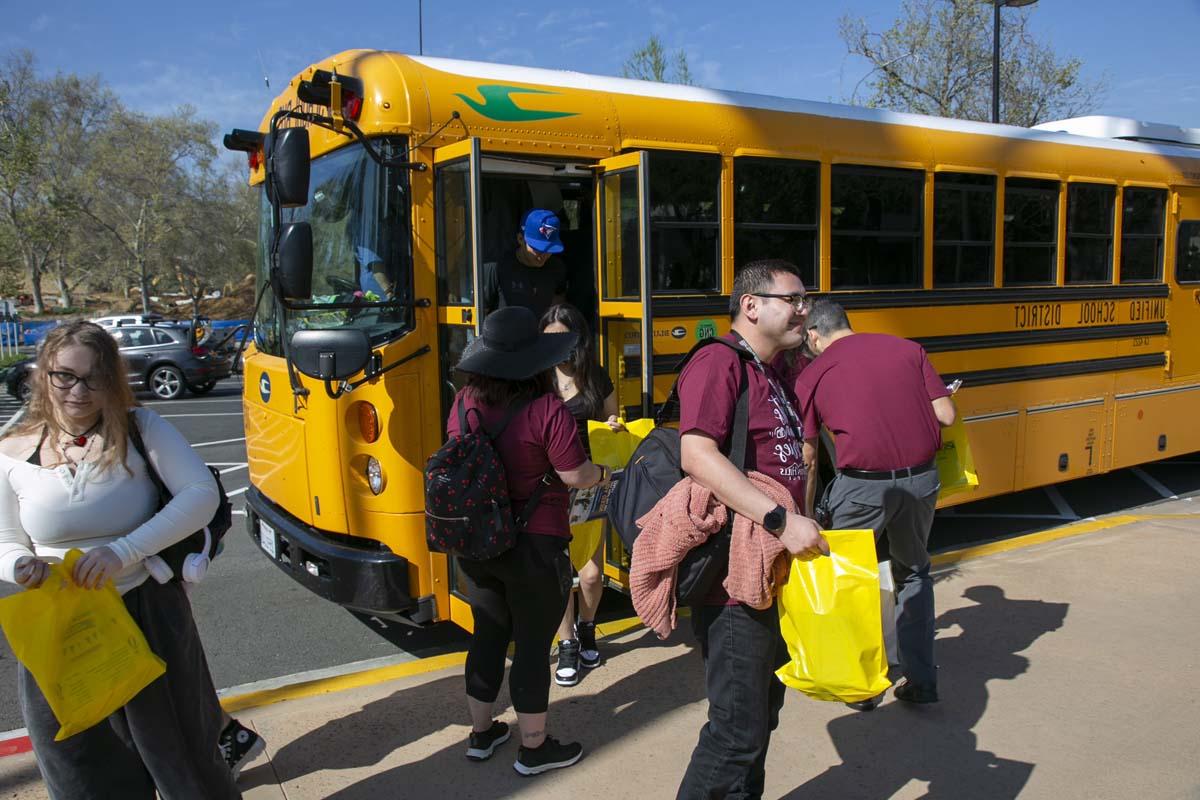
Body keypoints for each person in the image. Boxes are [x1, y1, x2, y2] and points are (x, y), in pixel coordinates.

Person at [0, 320, 241, 799]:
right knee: (80, 761)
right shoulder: (11, 448)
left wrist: (122, 552)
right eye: (64, 376)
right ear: (41, 375)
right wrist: (16, 564)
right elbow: (5, 536)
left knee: (181, 751)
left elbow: (199, 495)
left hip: (145, 612)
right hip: (63, 625)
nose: (78, 391)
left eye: (95, 378)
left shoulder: (140, 427)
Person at [675, 259, 828, 799]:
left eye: (806, 300)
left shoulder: (775, 370)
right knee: (736, 733)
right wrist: (781, 519)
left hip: (770, 573)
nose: (803, 310)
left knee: (761, 720)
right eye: (794, 299)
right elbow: (696, 454)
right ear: (752, 304)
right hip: (733, 578)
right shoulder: (718, 363)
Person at [448, 306, 611, 776]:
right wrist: (604, 473)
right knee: (533, 649)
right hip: (535, 545)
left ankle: (482, 734)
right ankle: (534, 748)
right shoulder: (547, 410)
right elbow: (574, 474)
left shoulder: (463, 403)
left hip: (477, 541)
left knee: (487, 635)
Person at [794, 299, 957, 709]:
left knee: (853, 582)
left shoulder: (813, 373)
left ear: (813, 335)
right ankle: (921, 681)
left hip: (863, 488)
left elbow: (809, 457)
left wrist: (806, 513)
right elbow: (947, 414)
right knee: (915, 572)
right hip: (921, 481)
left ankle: (862, 686)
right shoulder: (907, 349)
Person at [538, 303, 623, 687]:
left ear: (578, 338)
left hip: (591, 482)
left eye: (564, 337)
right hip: (549, 486)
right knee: (559, 574)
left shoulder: (596, 377)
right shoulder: (538, 378)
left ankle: (588, 628)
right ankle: (567, 643)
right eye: (550, 338)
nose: (558, 345)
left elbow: (612, 420)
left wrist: (613, 426)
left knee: (590, 575)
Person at [480, 209, 568, 318]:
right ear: (520, 239)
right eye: (537, 248)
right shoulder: (496, 268)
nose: (544, 254)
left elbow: (558, 301)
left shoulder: (557, 268)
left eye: (549, 249)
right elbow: (481, 313)